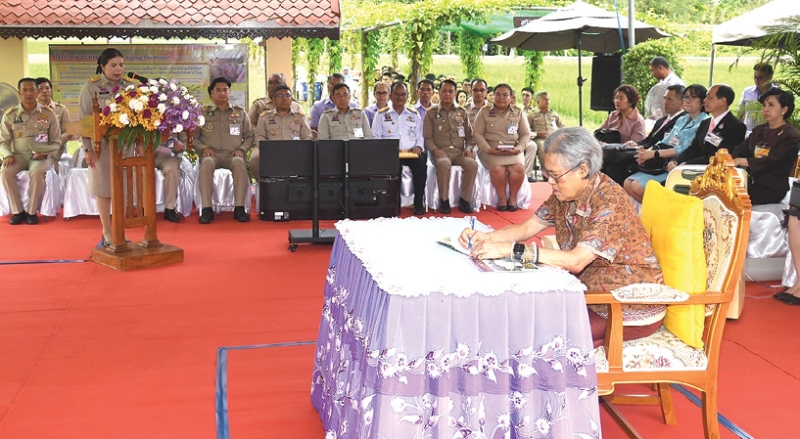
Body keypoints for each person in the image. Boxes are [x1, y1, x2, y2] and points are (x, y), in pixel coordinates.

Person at [459, 127, 665, 347]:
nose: (550, 182)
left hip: (625, 306)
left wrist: (512, 250)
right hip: (591, 294)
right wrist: (486, 238)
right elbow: (527, 228)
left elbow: (576, 260)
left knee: (537, 335)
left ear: (583, 169)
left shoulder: (609, 202)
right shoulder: (567, 193)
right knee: (522, 313)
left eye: (555, 175)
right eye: (547, 174)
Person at [79, 49, 136, 244]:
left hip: (125, 146)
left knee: (123, 191)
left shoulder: (130, 86)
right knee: (104, 190)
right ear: (102, 67)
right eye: (113, 65)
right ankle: (107, 231)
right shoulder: (91, 87)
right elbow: (85, 120)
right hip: (100, 147)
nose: (118, 69)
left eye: (121, 64)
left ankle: (120, 229)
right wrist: (87, 149)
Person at [624, 84, 709, 203]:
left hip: (677, 163)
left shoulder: (704, 122)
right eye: (686, 97)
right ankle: (648, 215)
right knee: (627, 183)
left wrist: (655, 154)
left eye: (693, 97)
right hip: (662, 161)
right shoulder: (682, 119)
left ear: (702, 101)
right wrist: (648, 151)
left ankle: (658, 214)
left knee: (637, 186)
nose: (688, 101)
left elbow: (685, 149)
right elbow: (666, 141)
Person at [0, 77, 61, 225]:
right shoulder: (10, 114)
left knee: (37, 171)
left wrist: (45, 152)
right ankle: (18, 211)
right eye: (24, 90)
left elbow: (56, 141)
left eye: (32, 89)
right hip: (19, 156)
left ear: (37, 91)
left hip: (41, 156)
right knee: (5, 171)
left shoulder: (48, 113)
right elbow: (3, 141)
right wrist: (7, 155)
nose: (28, 93)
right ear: (19, 93)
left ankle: (31, 212)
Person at [194, 77, 253, 224]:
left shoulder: (240, 113)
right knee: (206, 163)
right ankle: (207, 209)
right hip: (212, 154)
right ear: (211, 94)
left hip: (232, 155)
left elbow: (249, 136)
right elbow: (194, 139)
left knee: (239, 163)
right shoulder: (202, 114)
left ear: (229, 93)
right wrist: (203, 148)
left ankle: (239, 208)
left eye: (225, 90)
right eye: (218, 90)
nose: (222, 93)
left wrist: (242, 149)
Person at [732, 88, 800, 205]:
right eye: (764, 105)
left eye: (771, 105)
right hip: (748, 182)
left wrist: (742, 161)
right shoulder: (760, 129)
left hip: (771, 188)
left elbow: (773, 160)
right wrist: (727, 158)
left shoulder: (790, 135)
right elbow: (740, 150)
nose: (765, 109)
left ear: (784, 109)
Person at [473, 83, 530, 211]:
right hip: (490, 150)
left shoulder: (518, 112)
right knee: (498, 170)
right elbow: (477, 133)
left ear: (511, 97)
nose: (501, 98)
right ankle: (502, 199)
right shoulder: (485, 111)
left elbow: (526, 134)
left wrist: (519, 149)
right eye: (497, 95)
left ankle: (513, 199)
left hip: (513, 150)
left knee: (518, 169)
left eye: (505, 95)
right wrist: (488, 149)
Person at [372, 82, 426, 215]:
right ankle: (394, 205)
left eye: (403, 94)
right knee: (395, 170)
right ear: (390, 95)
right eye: (397, 94)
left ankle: (418, 204)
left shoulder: (414, 114)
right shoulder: (381, 115)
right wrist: (386, 151)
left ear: (407, 96)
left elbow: (420, 136)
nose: (400, 97)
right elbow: (376, 136)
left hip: (411, 153)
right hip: (391, 154)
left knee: (421, 167)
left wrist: (418, 146)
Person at [423, 79, 477, 214]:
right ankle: (444, 200)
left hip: (459, 152)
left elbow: (471, 137)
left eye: (450, 91)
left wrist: (468, 149)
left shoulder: (462, 112)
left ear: (455, 93)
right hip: (441, 152)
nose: (447, 94)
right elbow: (427, 138)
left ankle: (465, 200)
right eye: (444, 91)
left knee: (472, 165)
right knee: (444, 164)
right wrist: (435, 150)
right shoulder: (431, 112)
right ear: (439, 93)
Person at [669, 84, 747, 170]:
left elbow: (719, 156)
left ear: (722, 101)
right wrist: (676, 161)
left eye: (710, 98)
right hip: (694, 170)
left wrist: (688, 164)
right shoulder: (705, 123)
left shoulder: (735, 126)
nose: (705, 101)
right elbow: (694, 148)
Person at [253, 84, 313, 178]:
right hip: (272, 153)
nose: (284, 99)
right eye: (280, 96)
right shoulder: (265, 117)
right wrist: (267, 149)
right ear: (274, 99)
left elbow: (307, 136)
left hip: (295, 153)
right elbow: (259, 136)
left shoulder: (300, 117)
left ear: (291, 99)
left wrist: (301, 150)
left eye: (287, 96)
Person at [34, 77, 73, 172]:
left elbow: (68, 132)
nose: (44, 91)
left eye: (47, 88)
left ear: (51, 90)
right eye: (41, 88)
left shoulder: (61, 109)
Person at [527, 91, 566, 182]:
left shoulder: (554, 114)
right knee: (543, 147)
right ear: (537, 102)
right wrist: (537, 133)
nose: (547, 101)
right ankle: (546, 173)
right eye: (544, 99)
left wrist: (560, 134)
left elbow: (563, 126)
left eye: (548, 99)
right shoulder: (532, 115)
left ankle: (560, 172)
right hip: (540, 139)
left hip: (554, 138)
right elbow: (526, 131)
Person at [738, 63, 778, 131]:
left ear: (770, 77)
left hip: (768, 132)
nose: (757, 80)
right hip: (748, 132)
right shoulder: (747, 91)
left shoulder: (777, 93)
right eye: (755, 77)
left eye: (760, 78)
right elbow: (740, 113)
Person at [155, 136, 185, 222]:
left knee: (171, 170)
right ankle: (144, 207)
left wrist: (180, 146)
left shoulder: (179, 122)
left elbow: (186, 141)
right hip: (148, 153)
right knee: (142, 168)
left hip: (169, 157)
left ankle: (170, 208)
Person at [644, 56, 685, 120]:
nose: (652, 74)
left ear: (660, 68)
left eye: (653, 70)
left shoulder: (675, 83)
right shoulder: (661, 84)